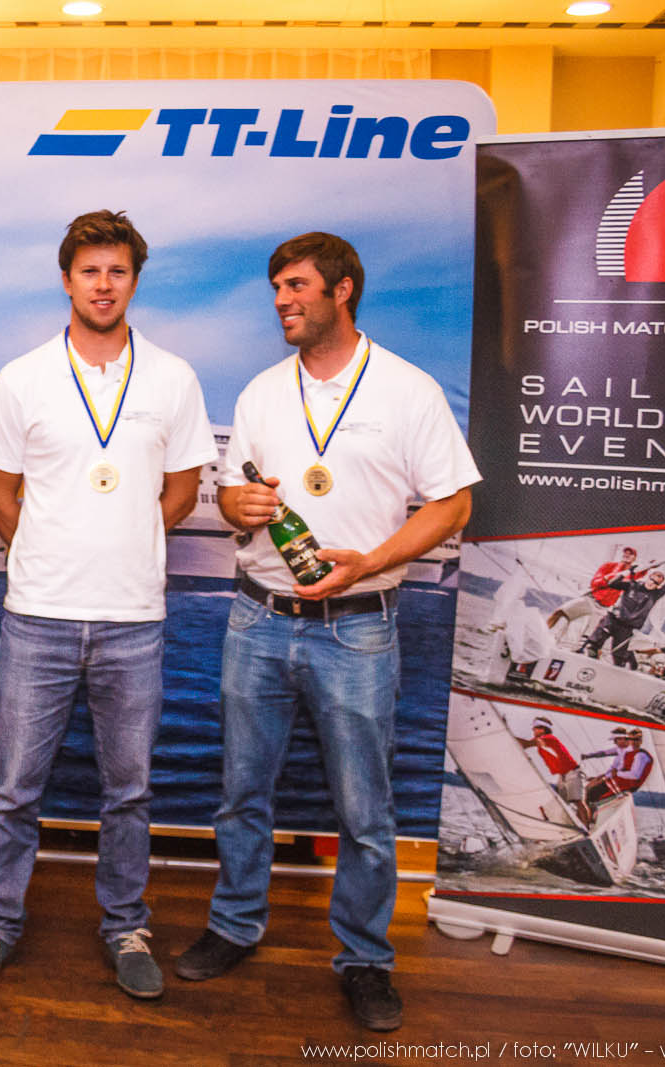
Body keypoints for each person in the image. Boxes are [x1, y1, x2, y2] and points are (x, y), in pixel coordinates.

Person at [172, 232, 478, 1034]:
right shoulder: (262, 394)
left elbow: (453, 504)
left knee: (365, 812)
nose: (282, 300)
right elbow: (234, 497)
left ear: (343, 291)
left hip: (359, 626)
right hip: (257, 618)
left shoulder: (408, 391)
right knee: (241, 794)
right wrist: (237, 507)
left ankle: (366, 958)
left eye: (298, 286)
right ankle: (235, 923)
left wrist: (371, 560)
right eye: (277, 287)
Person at [0, 210, 216, 1001]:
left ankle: (126, 925)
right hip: (38, 615)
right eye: (90, 271)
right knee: (13, 788)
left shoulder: (172, 378)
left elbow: (182, 490)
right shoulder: (23, 377)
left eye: (118, 271)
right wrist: (45, 544)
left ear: (134, 280)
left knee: (129, 791)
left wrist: (125, 537)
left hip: (134, 620)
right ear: (67, 280)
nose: (104, 285)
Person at [579, 563, 665, 669]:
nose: (652, 583)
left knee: (619, 657)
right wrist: (626, 573)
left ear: (659, 585)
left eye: (656, 583)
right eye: (652, 579)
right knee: (593, 644)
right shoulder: (632, 585)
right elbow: (612, 583)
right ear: (648, 578)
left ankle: (627, 666)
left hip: (627, 628)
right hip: (613, 619)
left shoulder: (655, 594)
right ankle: (588, 662)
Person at [547, 546, 641, 642]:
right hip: (591, 600)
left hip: (604, 609)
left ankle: (578, 648)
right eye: (625, 553)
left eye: (630, 554)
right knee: (560, 612)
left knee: (589, 638)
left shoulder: (633, 574)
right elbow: (594, 583)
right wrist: (613, 576)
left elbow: (645, 574)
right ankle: (544, 634)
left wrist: (643, 567)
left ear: (634, 558)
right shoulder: (608, 566)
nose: (627, 555)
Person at [578, 727, 653, 824]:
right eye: (631, 739)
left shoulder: (639, 755)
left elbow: (634, 774)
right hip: (617, 779)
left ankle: (587, 821)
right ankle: (587, 819)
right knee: (588, 791)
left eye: (616, 740)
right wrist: (588, 757)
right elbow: (604, 753)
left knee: (590, 792)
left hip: (623, 783)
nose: (614, 742)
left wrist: (611, 775)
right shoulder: (625, 751)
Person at [517, 716, 583, 804]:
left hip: (572, 773)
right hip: (562, 775)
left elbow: (528, 743)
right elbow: (524, 745)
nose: (533, 730)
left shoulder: (549, 738)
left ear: (542, 729)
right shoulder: (540, 740)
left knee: (577, 802)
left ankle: (585, 814)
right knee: (562, 802)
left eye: (535, 728)